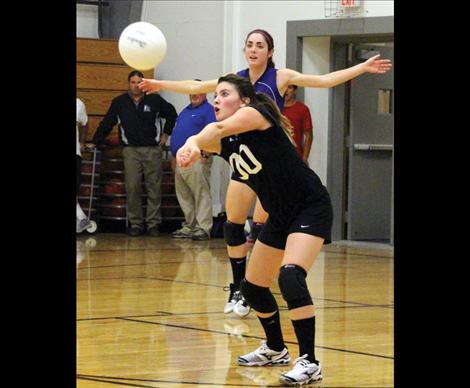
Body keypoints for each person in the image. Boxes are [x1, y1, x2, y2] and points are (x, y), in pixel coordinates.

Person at [138, 29, 391, 316]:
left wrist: (362, 66)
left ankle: (257, 286)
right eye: (249, 45)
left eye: (260, 45)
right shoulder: (236, 79)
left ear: (270, 52)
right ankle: (238, 287)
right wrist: (160, 83)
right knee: (233, 223)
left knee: (263, 225)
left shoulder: (280, 77)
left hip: (272, 161)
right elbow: (195, 86)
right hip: (245, 158)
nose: (253, 49)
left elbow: (324, 80)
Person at [176, 74, 332, 386]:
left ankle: (310, 362)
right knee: (252, 287)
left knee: (290, 276)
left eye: (224, 94)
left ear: (244, 100)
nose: (217, 100)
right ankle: (276, 348)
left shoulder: (255, 115)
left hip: (309, 206)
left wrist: (195, 142)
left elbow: (216, 129)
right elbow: (209, 134)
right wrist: (192, 146)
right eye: (215, 95)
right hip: (279, 214)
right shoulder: (223, 137)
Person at [87, 70, 177, 237]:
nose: (136, 85)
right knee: (133, 187)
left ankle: (153, 224)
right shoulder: (119, 102)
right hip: (130, 151)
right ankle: (135, 224)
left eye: (139, 82)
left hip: (152, 150)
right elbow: (107, 122)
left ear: (143, 84)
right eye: (133, 82)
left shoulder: (155, 100)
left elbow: (172, 114)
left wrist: (166, 134)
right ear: (129, 84)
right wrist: (96, 140)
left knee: (154, 188)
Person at [170, 81, 216, 241]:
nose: (194, 94)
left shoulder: (208, 111)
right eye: (192, 91)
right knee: (184, 195)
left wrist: (206, 153)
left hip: (197, 158)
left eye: (198, 91)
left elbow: (213, 132)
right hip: (180, 160)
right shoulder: (185, 111)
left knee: (200, 192)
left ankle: (203, 227)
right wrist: (174, 156)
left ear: (205, 92)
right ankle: (189, 226)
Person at [283, 85, 313, 163]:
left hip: (296, 156)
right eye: (284, 87)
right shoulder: (274, 108)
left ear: (295, 90)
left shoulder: (302, 109)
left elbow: (309, 135)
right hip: (276, 155)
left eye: (289, 87)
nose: (286, 90)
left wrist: (304, 158)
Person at [76, 97, 91, 233]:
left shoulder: (78, 104)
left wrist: (82, 141)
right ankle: (81, 218)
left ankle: (81, 219)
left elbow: (85, 123)